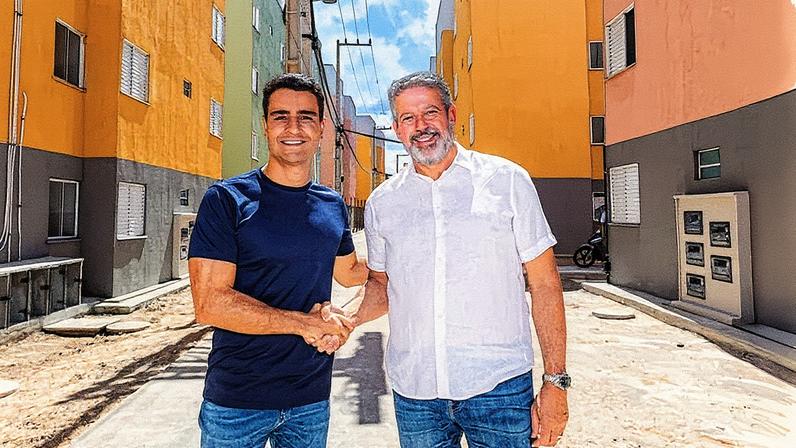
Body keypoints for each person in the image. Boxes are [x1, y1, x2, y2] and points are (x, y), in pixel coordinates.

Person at [345, 72, 570, 447]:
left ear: (451, 115)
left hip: (500, 389)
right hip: (415, 393)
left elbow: (545, 284)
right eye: (408, 118)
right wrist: (347, 319)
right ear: (397, 129)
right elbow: (382, 285)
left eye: (430, 112)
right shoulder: (383, 203)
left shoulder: (507, 181)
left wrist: (556, 382)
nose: (421, 127)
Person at [188, 73, 367, 448]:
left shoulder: (331, 204)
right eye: (280, 116)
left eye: (305, 117)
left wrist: (416, 250)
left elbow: (350, 274)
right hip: (237, 402)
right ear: (265, 126)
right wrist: (303, 323)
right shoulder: (226, 200)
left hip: (310, 399)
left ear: (320, 129)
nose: (293, 127)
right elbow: (210, 304)